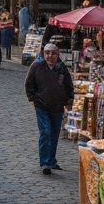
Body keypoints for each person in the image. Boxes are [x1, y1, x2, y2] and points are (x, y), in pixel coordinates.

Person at [25, 43, 73, 174]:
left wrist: (69, 99)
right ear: (43, 53)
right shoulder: (37, 66)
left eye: (53, 53)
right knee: (45, 131)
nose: (50, 56)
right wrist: (33, 98)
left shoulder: (61, 68)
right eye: (47, 53)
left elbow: (69, 85)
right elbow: (29, 84)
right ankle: (45, 162)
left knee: (54, 134)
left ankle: (51, 160)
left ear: (57, 55)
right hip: (42, 106)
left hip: (57, 106)